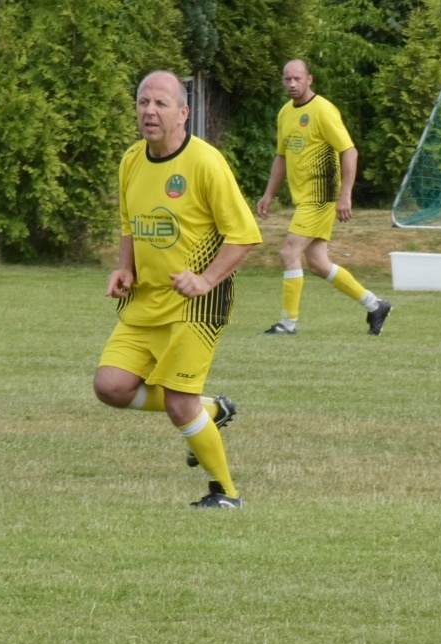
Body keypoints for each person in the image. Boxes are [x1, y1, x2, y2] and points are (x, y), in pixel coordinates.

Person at [92, 70, 263, 509]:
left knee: (179, 403)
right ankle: (213, 410)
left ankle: (226, 493)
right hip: (146, 300)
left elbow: (243, 235)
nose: (149, 111)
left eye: (161, 103)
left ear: (184, 113)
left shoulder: (205, 163)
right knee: (110, 386)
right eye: (143, 102)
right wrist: (124, 267)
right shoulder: (132, 160)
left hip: (197, 306)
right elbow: (130, 224)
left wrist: (204, 279)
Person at [256, 59, 391, 336]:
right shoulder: (285, 113)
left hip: (321, 196)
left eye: (297, 78)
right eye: (287, 79)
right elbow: (282, 156)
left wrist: (345, 195)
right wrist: (269, 194)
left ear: (309, 80)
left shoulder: (323, 110)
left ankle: (288, 324)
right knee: (318, 263)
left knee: (289, 252)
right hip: (303, 198)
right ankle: (375, 305)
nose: (292, 84)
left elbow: (349, 151)